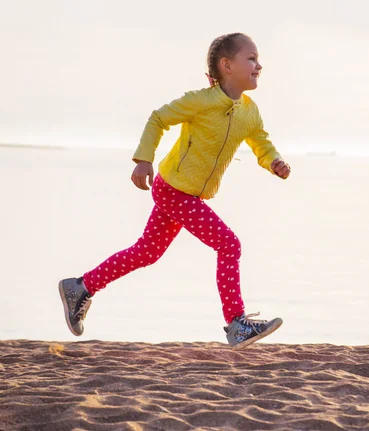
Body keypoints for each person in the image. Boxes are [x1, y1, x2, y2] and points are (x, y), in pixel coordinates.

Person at [58, 33, 291, 350]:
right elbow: (159, 118)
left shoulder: (249, 112)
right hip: (173, 190)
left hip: (188, 194)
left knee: (146, 253)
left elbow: (260, 140)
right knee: (228, 244)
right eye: (251, 58)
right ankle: (236, 324)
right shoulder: (201, 101)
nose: (258, 65)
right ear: (227, 66)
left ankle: (80, 287)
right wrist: (143, 159)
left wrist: (273, 161)